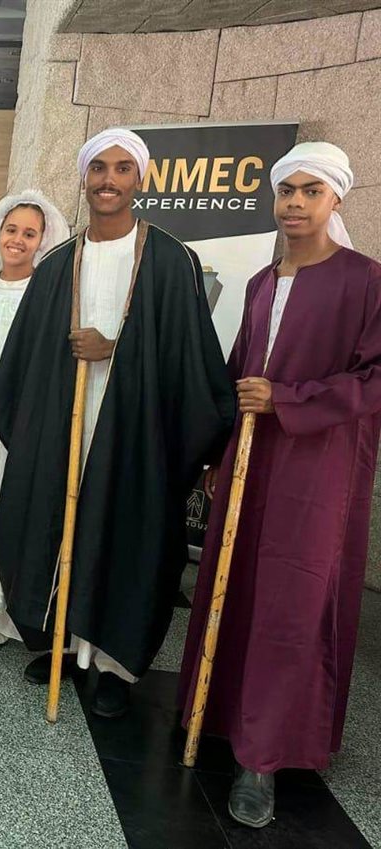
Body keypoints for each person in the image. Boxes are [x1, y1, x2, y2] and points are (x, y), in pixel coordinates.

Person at [0, 128, 235, 717]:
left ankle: (113, 663)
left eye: (122, 169)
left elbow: (187, 358)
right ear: (85, 177)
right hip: (61, 428)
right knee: (58, 524)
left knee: (124, 533)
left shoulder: (170, 260)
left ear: (139, 179)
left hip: (136, 433)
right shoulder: (57, 264)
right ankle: (67, 644)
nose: (109, 180)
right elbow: (24, 360)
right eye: (99, 168)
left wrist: (114, 349)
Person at [178, 142, 381, 828]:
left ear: (335, 199)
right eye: (286, 190)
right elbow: (241, 368)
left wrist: (289, 399)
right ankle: (219, 713)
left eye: (310, 191)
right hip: (250, 457)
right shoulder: (264, 281)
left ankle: (263, 755)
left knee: (292, 600)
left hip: (316, 467)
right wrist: (218, 451)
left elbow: (374, 379)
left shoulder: (365, 281)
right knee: (234, 585)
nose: (295, 202)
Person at [0, 191, 69, 646]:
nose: (18, 240)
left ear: (42, 241)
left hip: (18, 419)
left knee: (4, 502)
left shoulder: (46, 294)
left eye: (29, 233)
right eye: (12, 230)